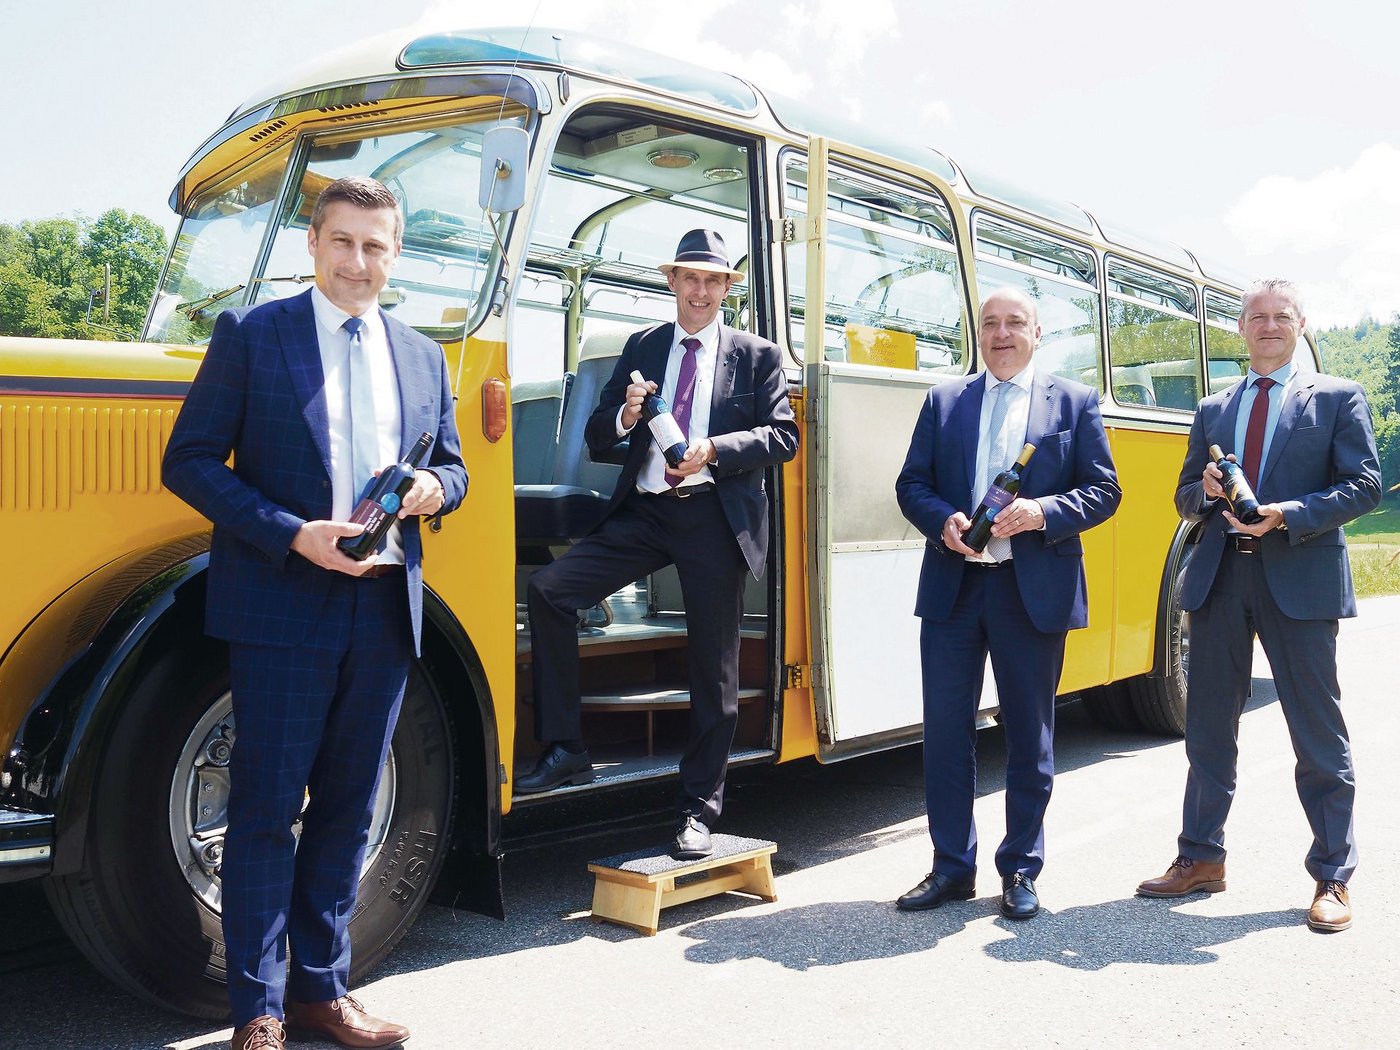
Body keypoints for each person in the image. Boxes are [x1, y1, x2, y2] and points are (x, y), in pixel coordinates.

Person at [163, 175, 468, 1050]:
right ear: (313, 243)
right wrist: (292, 534)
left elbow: (455, 470)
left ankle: (323, 995)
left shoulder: (423, 355)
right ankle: (257, 1011)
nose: (357, 262)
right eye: (342, 242)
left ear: (395, 253)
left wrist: (431, 487)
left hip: (383, 608)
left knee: (348, 809)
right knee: (265, 811)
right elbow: (188, 461)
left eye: (375, 246)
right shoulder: (253, 334)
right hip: (282, 603)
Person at [515, 229, 799, 860]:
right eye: (689, 278)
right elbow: (598, 437)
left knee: (713, 668)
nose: (700, 291)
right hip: (645, 511)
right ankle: (566, 749)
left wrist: (714, 449)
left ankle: (698, 809)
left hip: (714, 516)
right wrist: (626, 414)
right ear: (671, 282)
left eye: (713, 281)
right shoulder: (643, 346)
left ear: (726, 288)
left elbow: (783, 438)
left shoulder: (758, 355)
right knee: (552, 591)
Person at [1136, 278, 1380, 932]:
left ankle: (1333, 875)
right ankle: (1200, 857)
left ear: (1300, 325)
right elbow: (1184, 497)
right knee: (1208, 729)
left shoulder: (1338, 397)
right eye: (1257, 316)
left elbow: (1365, 484)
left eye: (1281, 316)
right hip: (1220, 579)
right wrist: (1207, 491)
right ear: (1240, 327)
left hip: (1300, 579)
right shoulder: (1214, 407)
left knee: (1317, 732)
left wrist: (1287, 513)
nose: (1269, 325)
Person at [893, 287, 1121, 920]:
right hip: (955, 588)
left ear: (1037, 333)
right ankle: (951, 867)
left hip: (1032, 591)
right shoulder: (944, 401)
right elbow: (911, 484)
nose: (1001, 334)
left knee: (1029, 734)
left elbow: (1105, 490)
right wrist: (941, 519)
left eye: (1014, 323)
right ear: (979, 331)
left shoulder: (1074, 402)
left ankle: (1020, 867)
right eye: (990, 323)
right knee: (945, 733)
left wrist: (1042, 512)